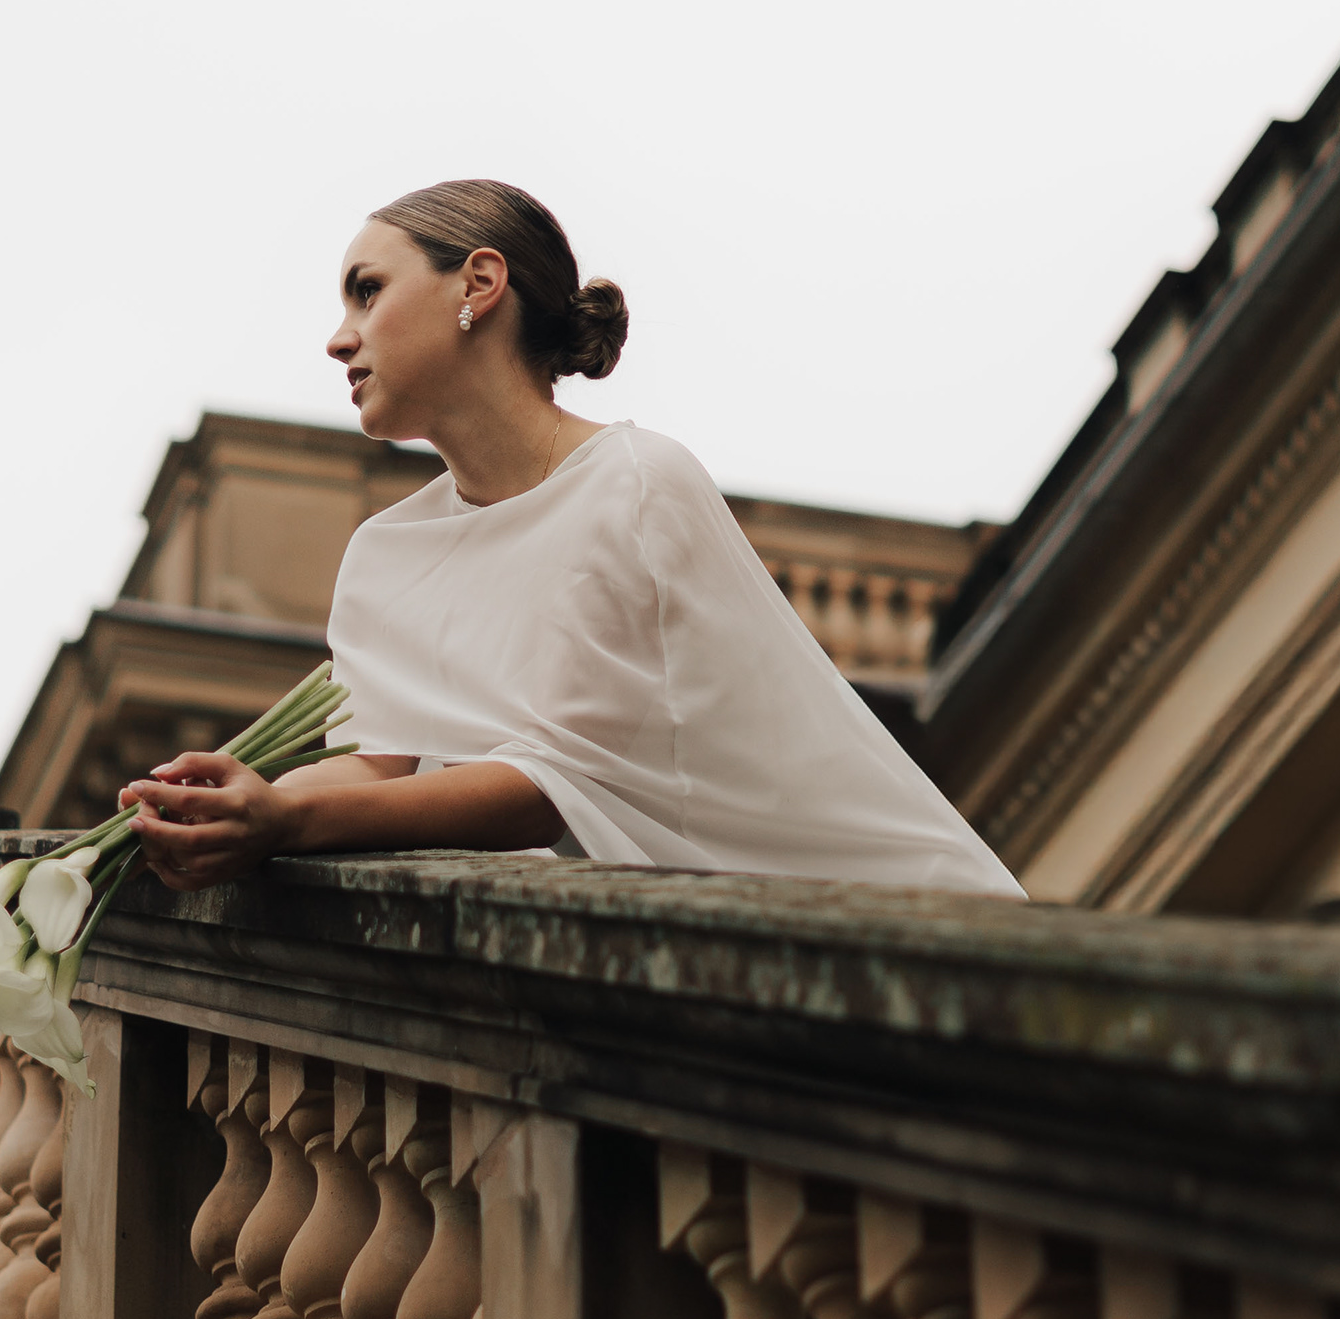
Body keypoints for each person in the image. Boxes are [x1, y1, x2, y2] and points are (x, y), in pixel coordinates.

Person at [119, 179, 1021, 900]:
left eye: (368, 290)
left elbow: (546, 786)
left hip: (895, 923)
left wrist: (288, 824)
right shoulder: (385, 554)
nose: (337, 338)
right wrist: (231, 803)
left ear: (478, 284)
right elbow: (377, 763)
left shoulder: (635, 484)